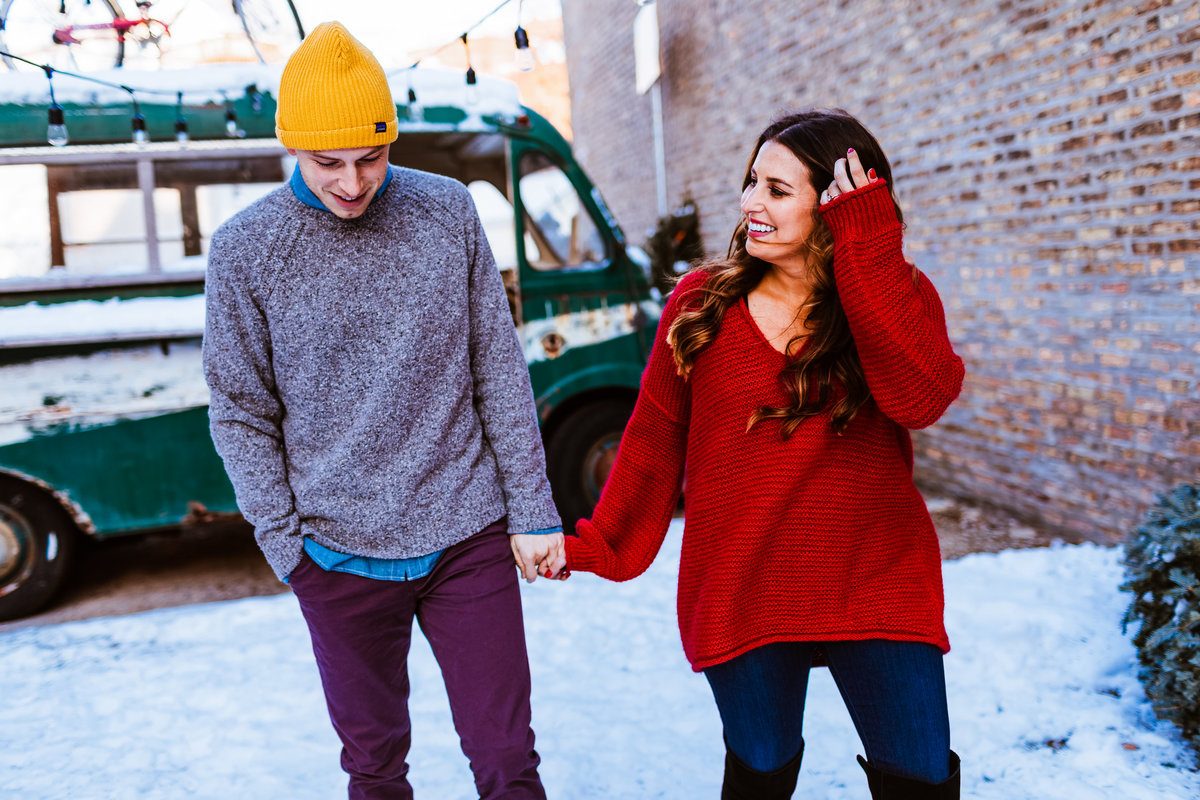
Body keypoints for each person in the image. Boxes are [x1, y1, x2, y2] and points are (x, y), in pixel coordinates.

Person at [202, 22, 565, 800]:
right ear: (292, 147)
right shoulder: (246, 249)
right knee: (374, 768)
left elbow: (495, 367)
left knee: (509, 763)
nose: (353, 182)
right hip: (336, 555)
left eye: (371, 157)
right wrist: (285, 544)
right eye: (327, 162)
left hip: (465, 532)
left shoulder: (447, 212)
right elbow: (239, 411)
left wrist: (532, 510)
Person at [558, 110, 965, 799]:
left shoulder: (899, 295)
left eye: (777, 190)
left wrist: (869, 253)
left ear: (837, 206)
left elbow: (920, 397)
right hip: (744, 578)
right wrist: (601, 543)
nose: (750, 203)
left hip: (877, 574)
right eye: (752, 182)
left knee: (921, 777)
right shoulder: (701, 303)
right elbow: (654, 442)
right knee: (761, 775)